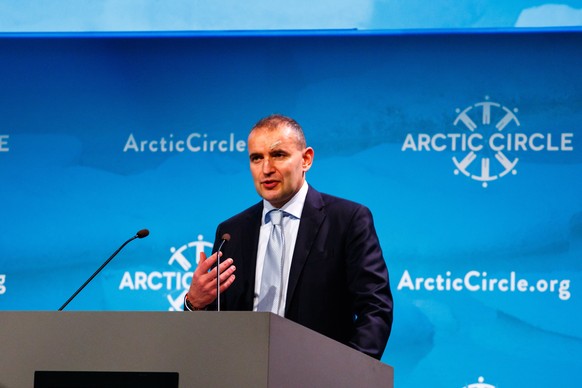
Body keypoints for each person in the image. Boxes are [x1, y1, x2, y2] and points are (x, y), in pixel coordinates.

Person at [185, 114, 393, 360]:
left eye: (278, 155)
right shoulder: (231, 232)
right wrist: (195, 304)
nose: (266, 169)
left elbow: (375, 309)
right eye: (256, 158)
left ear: (306, 159)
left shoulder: (347, 220)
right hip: (243, 374)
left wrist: (350, 373)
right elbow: (219, 326)